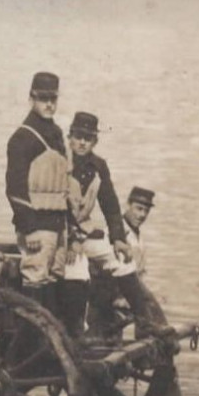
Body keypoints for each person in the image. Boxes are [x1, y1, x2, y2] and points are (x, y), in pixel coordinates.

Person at [60, 111, 144, 340]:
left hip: (83, 233)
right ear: (70, 137)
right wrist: (71, 240)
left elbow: (111, 206)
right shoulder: (58, 163)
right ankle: (75, 334)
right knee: (76, 269)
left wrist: (118, 238)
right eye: (78, 136)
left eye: (88, 138)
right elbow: (53, 206)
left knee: (123, 261)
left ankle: (145, 321)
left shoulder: (98, 166)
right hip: (59, 233)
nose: (82, 142)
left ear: (95, 141)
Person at [4, 71, 70, 315]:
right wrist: (28, 227)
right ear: (31, 98)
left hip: (58, 224)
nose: (49, 104)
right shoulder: (22, 139)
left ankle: (50, 346)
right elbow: (14, 188)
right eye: (44, 99)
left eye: (53, 98)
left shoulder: (56, 133)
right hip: (37, 226)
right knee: (35, 279)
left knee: (54, 279)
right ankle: (33, 345)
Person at [116, 185, 168, 334]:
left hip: (133, 297)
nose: (142, 215)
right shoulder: (118, 232)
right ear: (128, 205)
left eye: (146, 211)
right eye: (138, 209)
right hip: (119, 297)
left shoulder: (138, 236)